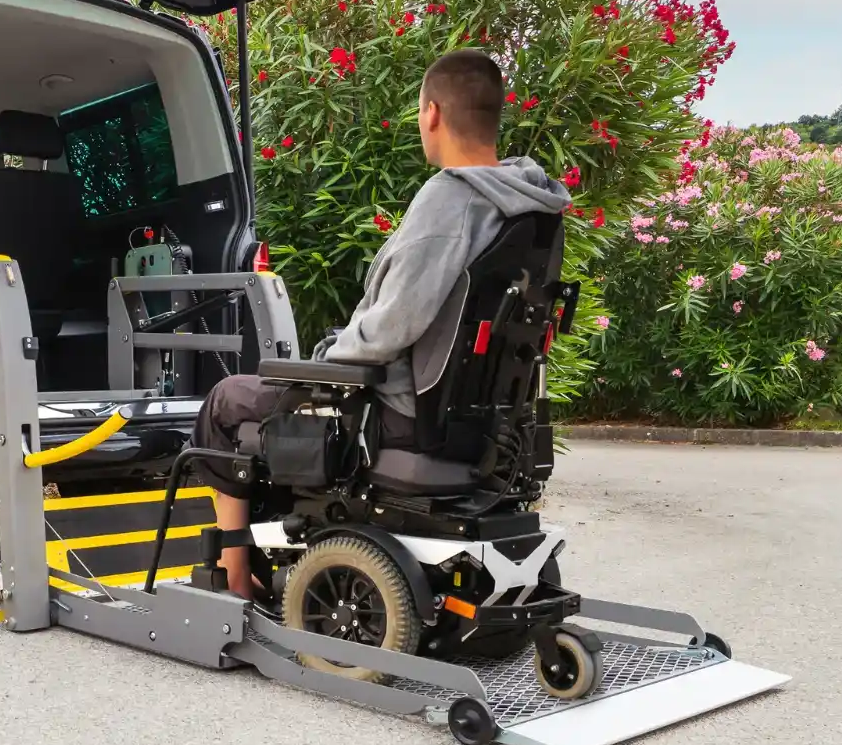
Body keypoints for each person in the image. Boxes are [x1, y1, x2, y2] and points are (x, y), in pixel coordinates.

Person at [191, 49, 571, 597]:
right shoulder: (532, 209)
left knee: (227, 402)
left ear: (432, 112)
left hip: (399, 415)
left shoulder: (452, 200)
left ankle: (233, 578)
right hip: (481, 426)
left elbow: (392, 326)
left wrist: (323, 365)